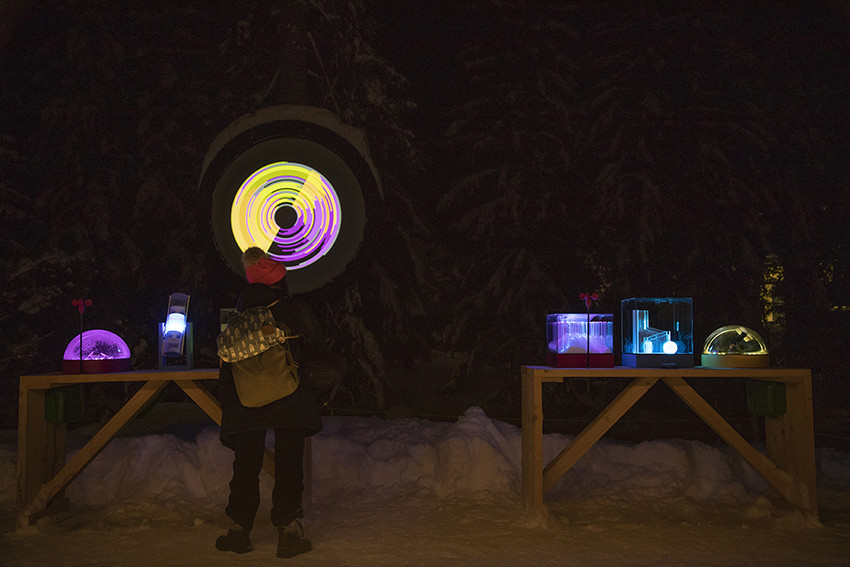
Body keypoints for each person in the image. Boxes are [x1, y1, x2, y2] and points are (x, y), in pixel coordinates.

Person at [215, 247, 342, 559]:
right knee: (288, 462)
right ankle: (288, 532)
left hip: (247, 400)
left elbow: (225, 364)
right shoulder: (295, 310)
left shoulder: (236, 317)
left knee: (246, 463)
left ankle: (239, 531)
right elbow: (318, 352)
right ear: (279, 282)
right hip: (291, 396)